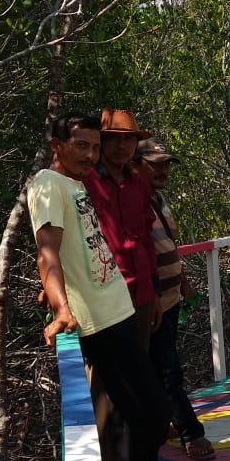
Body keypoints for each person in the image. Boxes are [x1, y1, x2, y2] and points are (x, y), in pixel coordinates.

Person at [27, 113, 197, 461]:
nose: (90, 154)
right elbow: (47, 249)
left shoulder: (76, 185)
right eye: (80, 145)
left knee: (132, 413)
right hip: (98, 320)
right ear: (56, 146)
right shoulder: (49, 184)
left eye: (93, 146)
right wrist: (61, 307)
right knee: (154, 413)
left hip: (121, 307)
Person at [133, 137, 215, 461]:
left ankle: (162, 423)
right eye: (157, 164)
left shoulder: (156, 198)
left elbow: (164, 245)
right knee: (167, 370)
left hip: (169, 297)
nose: (164, 170)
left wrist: (184, 282)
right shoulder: (133, 201)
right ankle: (190, 432)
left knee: (160, 367)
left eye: (167, 164)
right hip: (151, 301)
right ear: (137, 165)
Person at [84, 108, 159, 350]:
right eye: (114, 138)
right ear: (101, 141)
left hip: (142, 294)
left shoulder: (139, 183)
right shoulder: (84, 182)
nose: (121, 145)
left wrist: (154, 293)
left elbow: (147, 239)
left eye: (128, 138)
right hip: (103, 297)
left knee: (138, 371)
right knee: (104, 379)